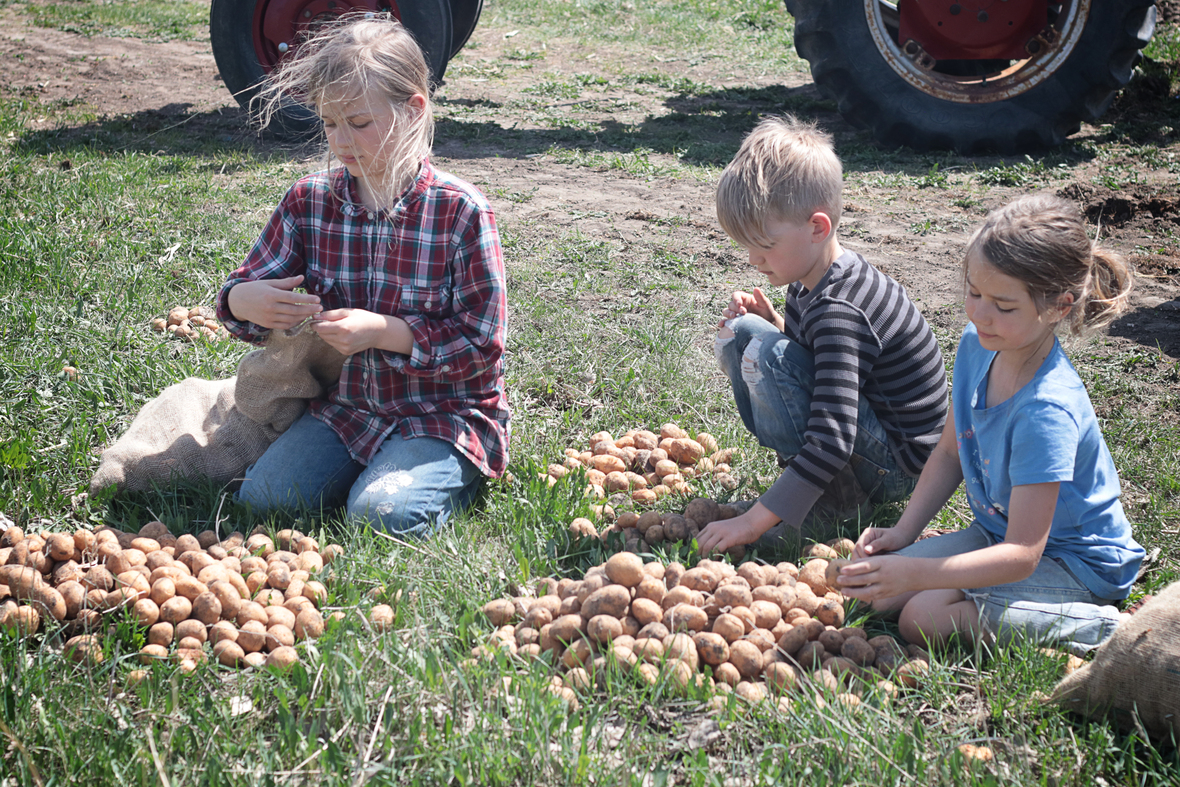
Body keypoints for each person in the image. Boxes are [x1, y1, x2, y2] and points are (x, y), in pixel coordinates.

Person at [215, 15, 509, 537]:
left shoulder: (461, 211)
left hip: (444, 413)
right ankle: (370, 470)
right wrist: (245, 300)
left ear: (413, 109)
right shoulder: (310, 201)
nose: (341, 140)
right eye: (330, 123)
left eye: (358, 122)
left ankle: (445, 475)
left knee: (381, 516)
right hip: (349, 408)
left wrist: (383, 332)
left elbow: (481, 350)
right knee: (265, 500)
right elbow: (242, 290)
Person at [835, 194, 1145, 656]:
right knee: (868, 592)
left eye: (1003, 304)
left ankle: (1106, 627)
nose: (980, 313)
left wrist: (916, 572)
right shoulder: (978, 345)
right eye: (975, 293)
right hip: (996, 535)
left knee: (923, 617)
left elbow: (1023, 554)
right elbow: (948, 452)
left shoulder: (1046, 410)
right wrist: (903, 533)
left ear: (1059, 307)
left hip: (1074, 563)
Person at [697, 116, 949, 555]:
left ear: (817, 227)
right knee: (746, 335)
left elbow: (832, 439)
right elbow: (821, 365)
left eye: (764, 245)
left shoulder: (840, 310)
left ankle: (837, 505)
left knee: (765, 353)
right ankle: (815, 494)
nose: (753, 259)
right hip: (871, 436)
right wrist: (774, 323)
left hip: (898, 469)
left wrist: (752, 523)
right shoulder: (812, 278)